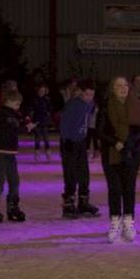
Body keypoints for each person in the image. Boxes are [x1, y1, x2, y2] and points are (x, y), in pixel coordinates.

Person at [99, 77, 140, 242]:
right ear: (112, 88)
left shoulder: (137, 104)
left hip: (131, 152)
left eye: (125, 85)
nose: (123, 88)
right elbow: (100, 130)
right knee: (115, 188)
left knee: (128, 188)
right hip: (112, 154)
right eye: (119, 85)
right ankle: (115, 222)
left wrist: (130, 143)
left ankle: (128, 221)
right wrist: (115, 142)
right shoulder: (106, 106)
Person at [0, 89, 35, 223]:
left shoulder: (13, 113)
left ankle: (13, 206)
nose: (19, 107)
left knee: (14, 180)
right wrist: (26, 128)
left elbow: (20, 120)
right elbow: (13, 127)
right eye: (17, 104)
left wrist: (27, 121)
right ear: (10, 102)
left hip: (9, 152)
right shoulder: (3, 114)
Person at [58, 81, 99, 218]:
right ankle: (68, 203)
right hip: (69, 142)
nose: (89, 97)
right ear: (81, 93)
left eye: (92, 95)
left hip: (81, 142)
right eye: (87, 94)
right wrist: (66, 139)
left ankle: (83, 201)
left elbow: (91, 119)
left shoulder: (90, 104)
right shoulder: (72, 105)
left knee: (83, 172)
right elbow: (64, 123)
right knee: (71, 173)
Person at [31, 84, 53, 162]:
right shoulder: (34, 99)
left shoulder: (47, 99)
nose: (41, 92)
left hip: (44, 120)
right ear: (37, 91)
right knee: (37, 138)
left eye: (43, 91)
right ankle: (37, 154)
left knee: (46, 137)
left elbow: (50, 108)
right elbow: (32, 109)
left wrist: (48, 113)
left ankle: (48, 154)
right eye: (40, 91)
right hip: (37, 120)